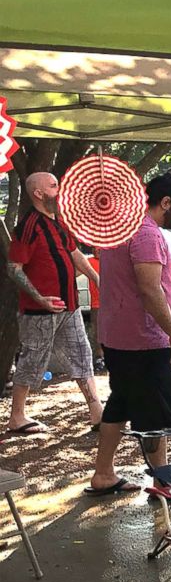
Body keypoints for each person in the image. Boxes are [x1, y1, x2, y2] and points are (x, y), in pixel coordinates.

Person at [86, 173, 171, 497]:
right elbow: (150, 290)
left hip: (119, 337)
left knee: (120, 403)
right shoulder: (146, 234)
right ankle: (162, 483)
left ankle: (103, 473)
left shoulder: (118, 230)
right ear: (165, 203)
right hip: (144, 340)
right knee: (154, 415)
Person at [5, 172, 103, 436]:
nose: (60, 189)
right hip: (39, 311)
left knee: (82, 355)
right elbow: (13, 268)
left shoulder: (59, 222)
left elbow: (75, 254)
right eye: (53, 185)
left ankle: (97, 413)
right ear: (38, 193)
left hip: (69, 306)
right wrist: (39, 297)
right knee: (32, 361)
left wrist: (97, 278)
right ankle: (17, 417)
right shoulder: (28, 226)